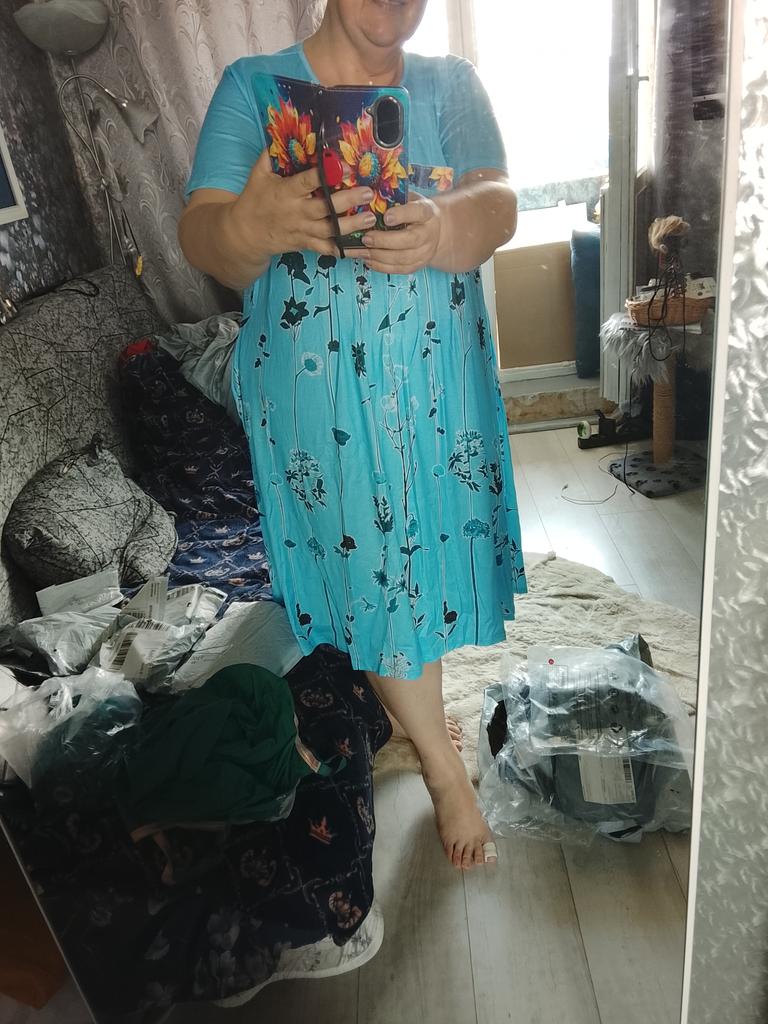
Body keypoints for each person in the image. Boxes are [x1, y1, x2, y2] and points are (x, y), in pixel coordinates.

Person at [178, 0, 526, 870]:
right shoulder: (253, 88)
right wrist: (250, 227)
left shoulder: (450, 84)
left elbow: (499, 202)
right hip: (317, 409)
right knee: (375, 578)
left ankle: (414, 712)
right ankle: (442, 768)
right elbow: (203, 234)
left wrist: (444, 225)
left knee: (426, 560)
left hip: (438, 394)